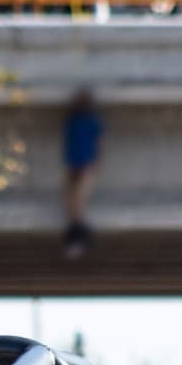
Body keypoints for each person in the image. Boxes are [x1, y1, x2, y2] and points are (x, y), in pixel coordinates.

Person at [61, 89, 103, 259]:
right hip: (73, 163)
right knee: (69, 199)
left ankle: (79, 237)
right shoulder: (72, 120)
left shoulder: (92, 121)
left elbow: (100, 143)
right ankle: (77, 235)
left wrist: (96, 163)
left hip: (86, 164)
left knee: (78, 198)